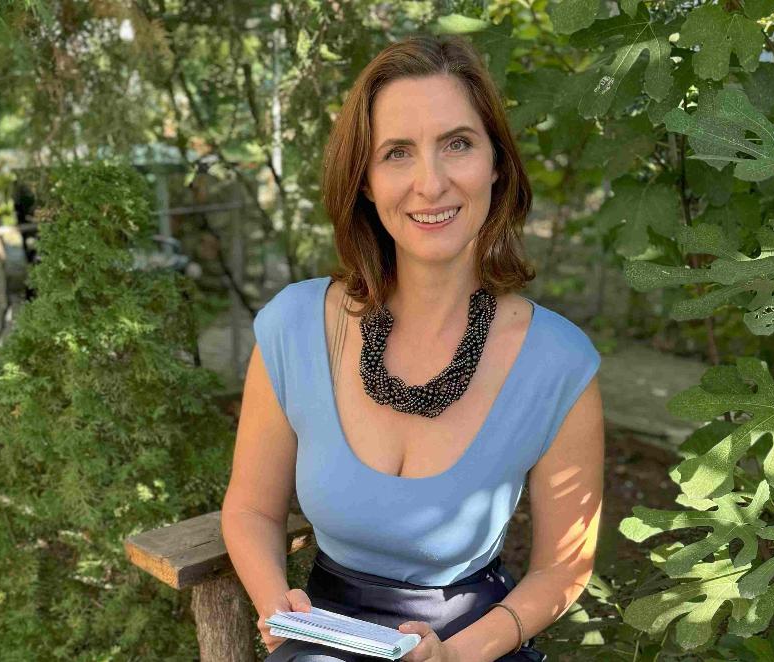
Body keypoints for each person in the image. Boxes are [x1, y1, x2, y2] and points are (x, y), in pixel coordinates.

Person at [221, 33, 604, 662]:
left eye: (458, 144)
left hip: (475, 646)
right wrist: (279, 608)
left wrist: (458, 653)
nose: (431, 182)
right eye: (397, 153)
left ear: (496, 163)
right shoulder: (294, 326)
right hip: (321, 641)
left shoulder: (559, 363)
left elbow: (563, 567)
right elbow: (250, 510)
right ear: (366, 182)